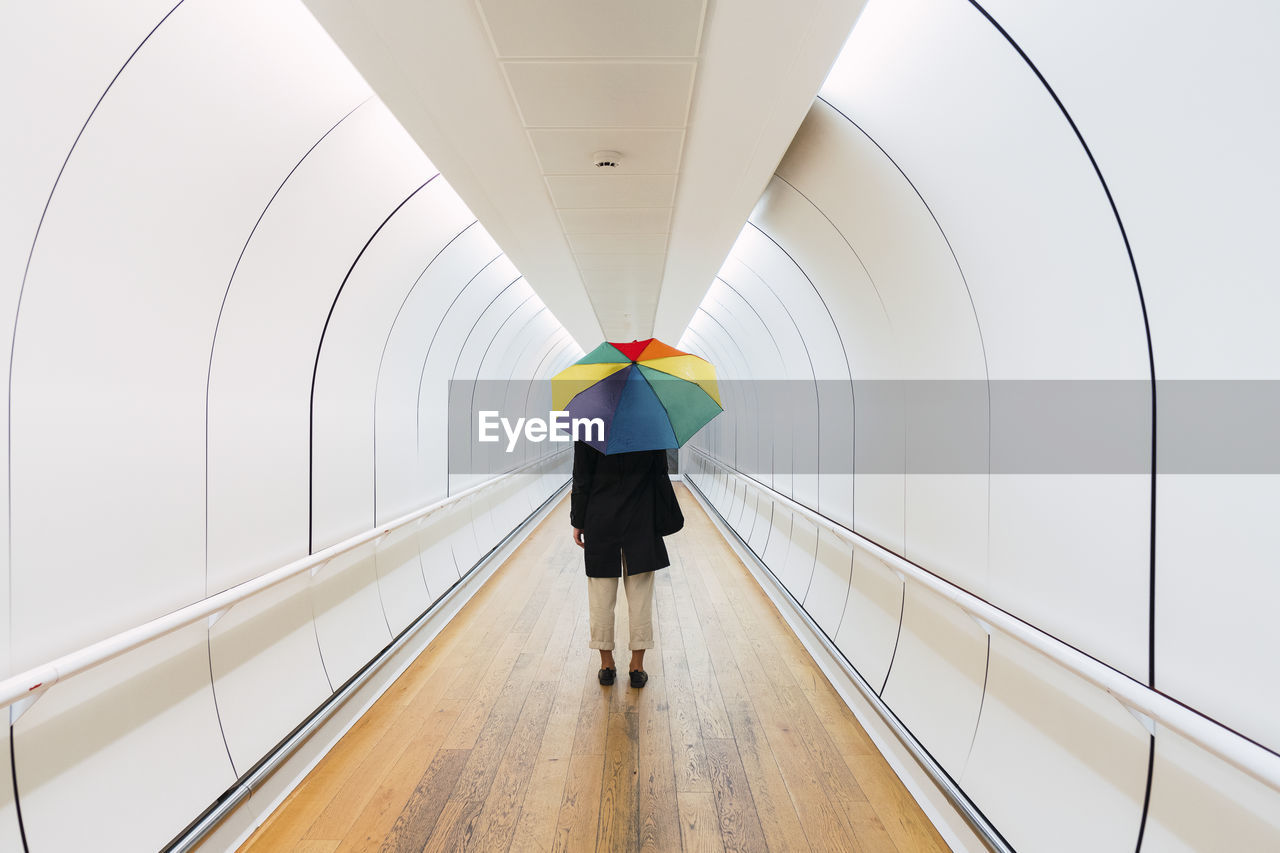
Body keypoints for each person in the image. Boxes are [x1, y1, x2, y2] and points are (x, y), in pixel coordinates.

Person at [570, 440, 671, 688]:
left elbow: (581, 478)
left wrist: (578, 520)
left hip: (600, 518)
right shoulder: (651, 425)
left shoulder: (590, 424)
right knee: (641, 596)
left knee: (601, 594)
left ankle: (607, 665)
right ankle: (637, 667)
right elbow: (660, 475)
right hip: (641, 518)